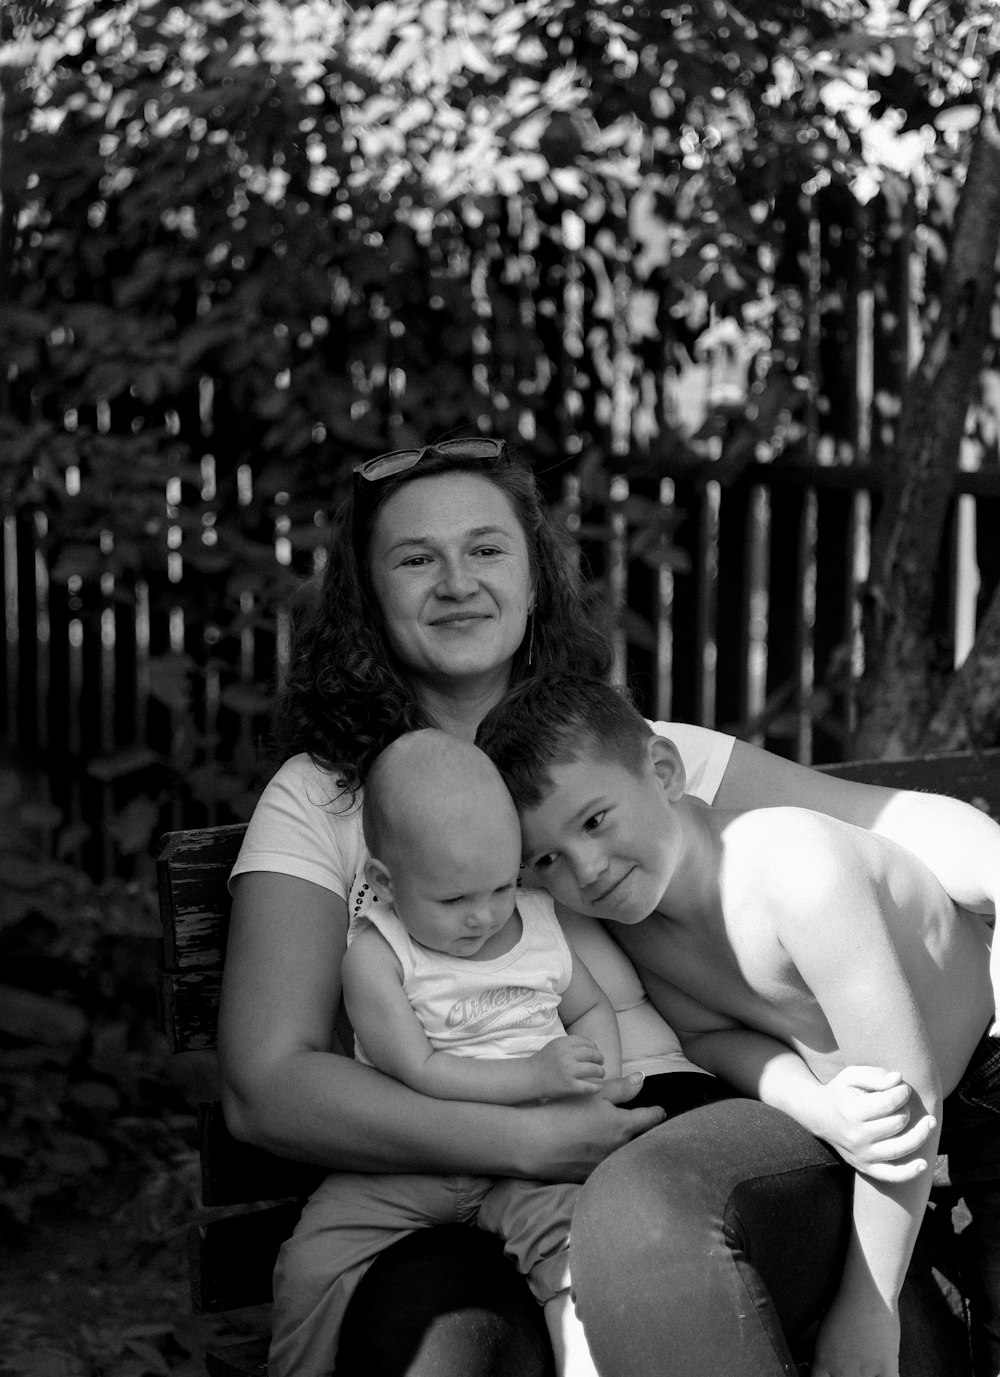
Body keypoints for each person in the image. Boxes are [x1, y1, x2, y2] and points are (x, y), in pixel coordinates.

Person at [218, 435, 1000, 1377]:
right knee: (442, 1344)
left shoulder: (632, 755)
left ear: (537, 576)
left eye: (487, 548)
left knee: (658, 1223)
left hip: (689, 1139)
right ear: (368, 596)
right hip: (449, 1175)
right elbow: (266, 1084)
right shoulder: (323, 798)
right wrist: (519, 1138)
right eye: (416, 558)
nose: (456, 581)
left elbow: (900, 826)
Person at [477, 672, 1000, 1377]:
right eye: (547, 859)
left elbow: (908, 1098)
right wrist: (813, 1102)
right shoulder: (641, 921)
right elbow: (709, 1037)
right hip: (890, 1107)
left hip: (983, 1073)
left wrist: (866, 1311)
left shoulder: (795, 871)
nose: (587, 868)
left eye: (595, 820)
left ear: (664, 771)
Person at [271, 727, 623, 1377]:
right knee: (309, 1265)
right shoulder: (378, 957)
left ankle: (584, 1359)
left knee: (584, 1252)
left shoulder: (538, 923)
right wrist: (537, 1076)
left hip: (533, 1165)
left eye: (498, 887)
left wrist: (599, 1084)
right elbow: (420, 1070)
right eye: (454, 898)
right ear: (384, 879)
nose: (485, 916)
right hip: (411, 1165)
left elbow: (591, 1008)